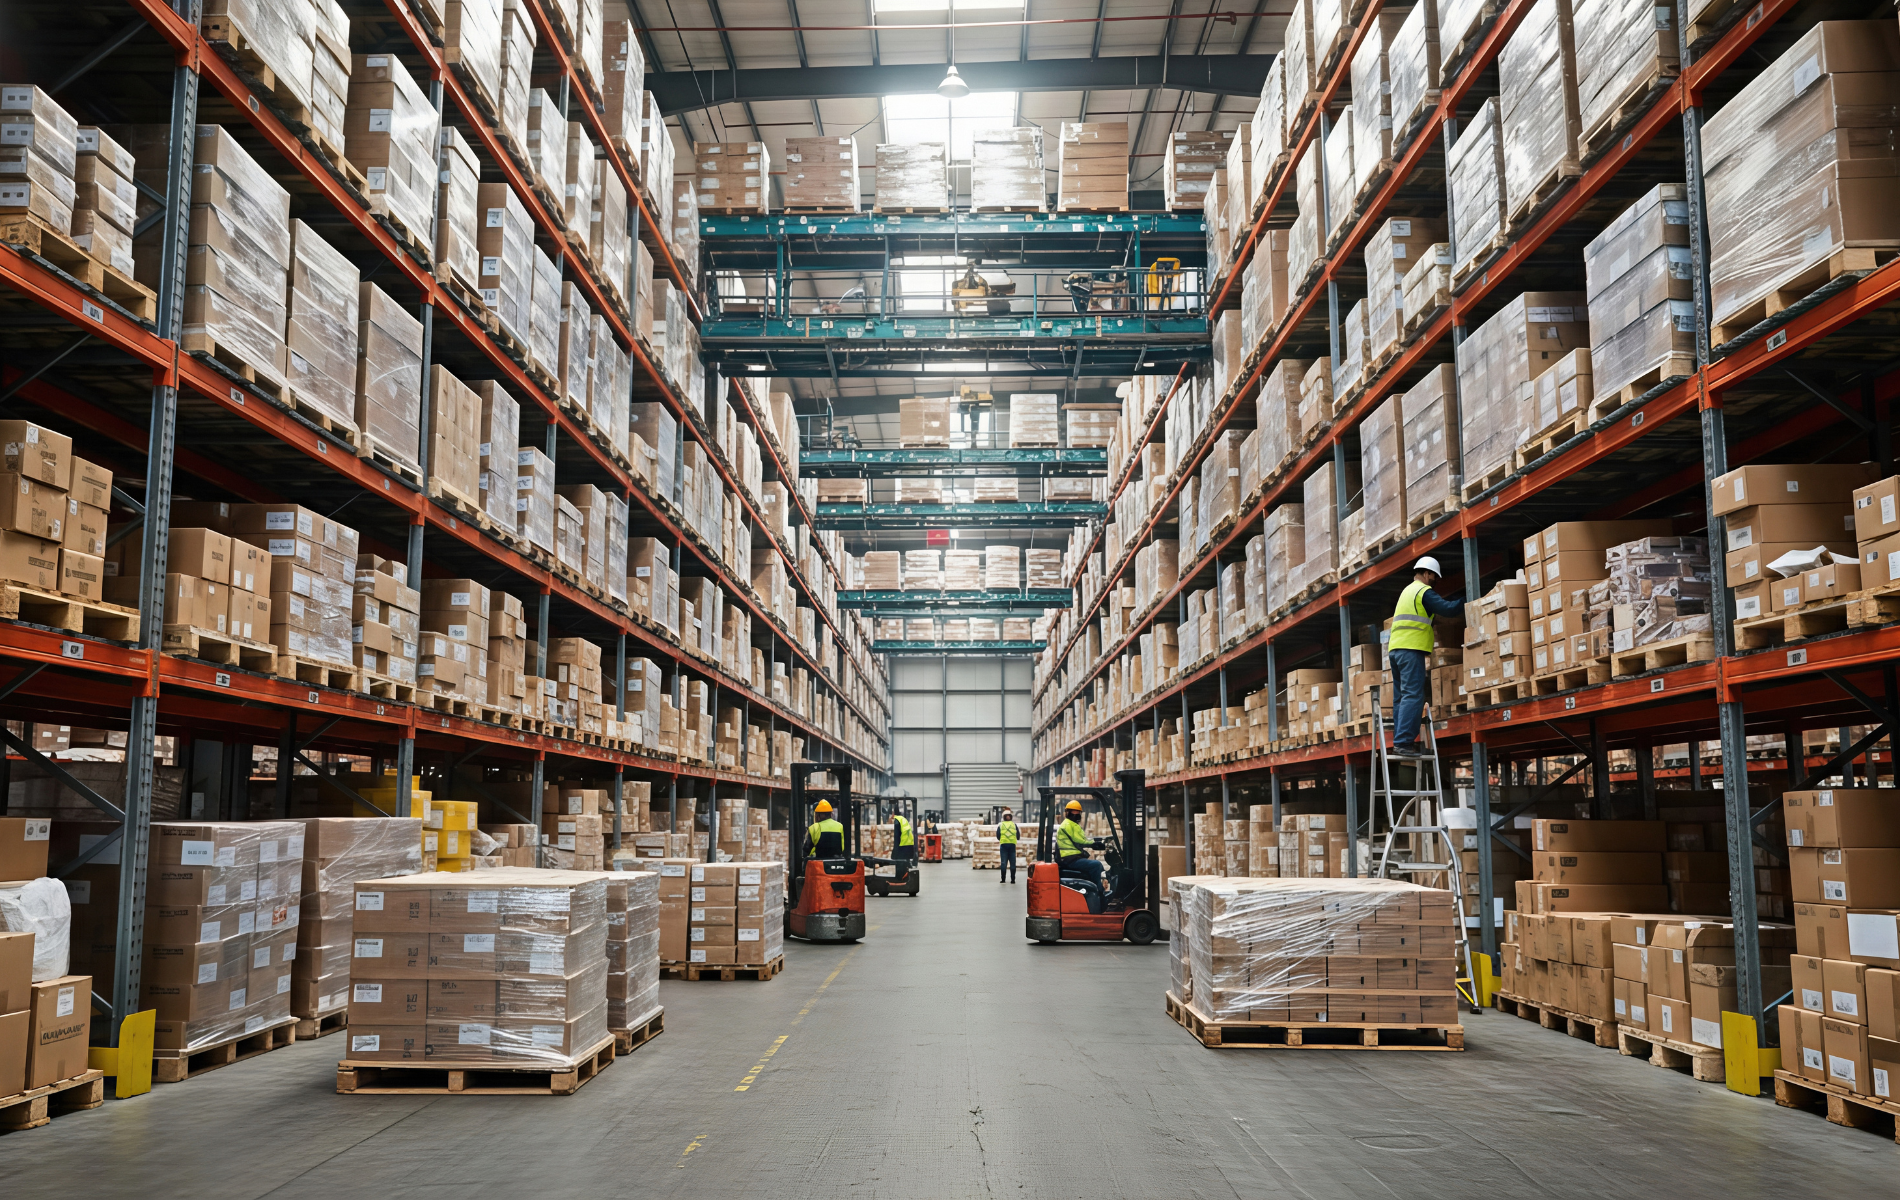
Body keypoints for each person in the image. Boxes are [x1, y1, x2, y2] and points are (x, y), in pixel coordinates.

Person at [1389, 556, 1467, 758]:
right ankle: (1404, 743)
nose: (1435, 582)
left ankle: (1400, 741)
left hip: (1396, 650)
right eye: (1434, 577)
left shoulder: (1407, 590)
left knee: (1401, 697)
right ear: (1427, 573)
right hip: (1410, 649)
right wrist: (1467, 598)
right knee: (1413, 695)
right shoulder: (1423, 592)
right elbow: (1447, 610)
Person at [1056, 799, 1106, 890]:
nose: (1075, 814)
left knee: (1094, 865)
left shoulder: (1071, 824)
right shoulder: (1068, 825)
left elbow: (1083, 839)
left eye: (1077, 812)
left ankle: (1095, 886)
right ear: (1068, 812)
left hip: (1070, 858)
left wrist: (1096, 841)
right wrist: (1093, 844)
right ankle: (1098, 890)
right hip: (1070, 860)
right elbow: (1079, 841)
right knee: (1096, 864)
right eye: (1073, 812)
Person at [996, 809, 1019, 883]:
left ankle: (1003, 879)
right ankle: (1013, 880)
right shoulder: (1014, 825)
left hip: (1003, 846)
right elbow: (1018, 835)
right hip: (1012, 845)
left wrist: (1003, 840)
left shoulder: (1001, 825)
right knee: (1012, 863)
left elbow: (998, 835)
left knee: (1003, 862)